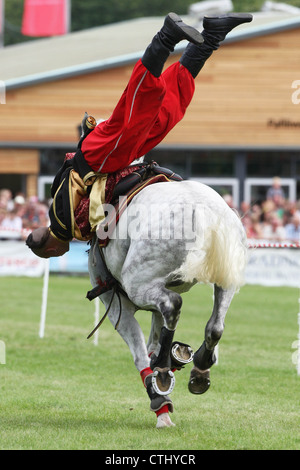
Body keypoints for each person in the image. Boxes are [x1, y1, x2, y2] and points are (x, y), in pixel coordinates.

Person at [26, 11, 253, 259]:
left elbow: (93, 207)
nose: (58, 255)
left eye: (52, 255)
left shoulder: (60, 222)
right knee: (168, 111)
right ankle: (212, 34)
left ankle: (165, 37)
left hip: (98, 158)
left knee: (138, 109)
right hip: (109, 160)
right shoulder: (62, 223)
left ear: (49, 248)